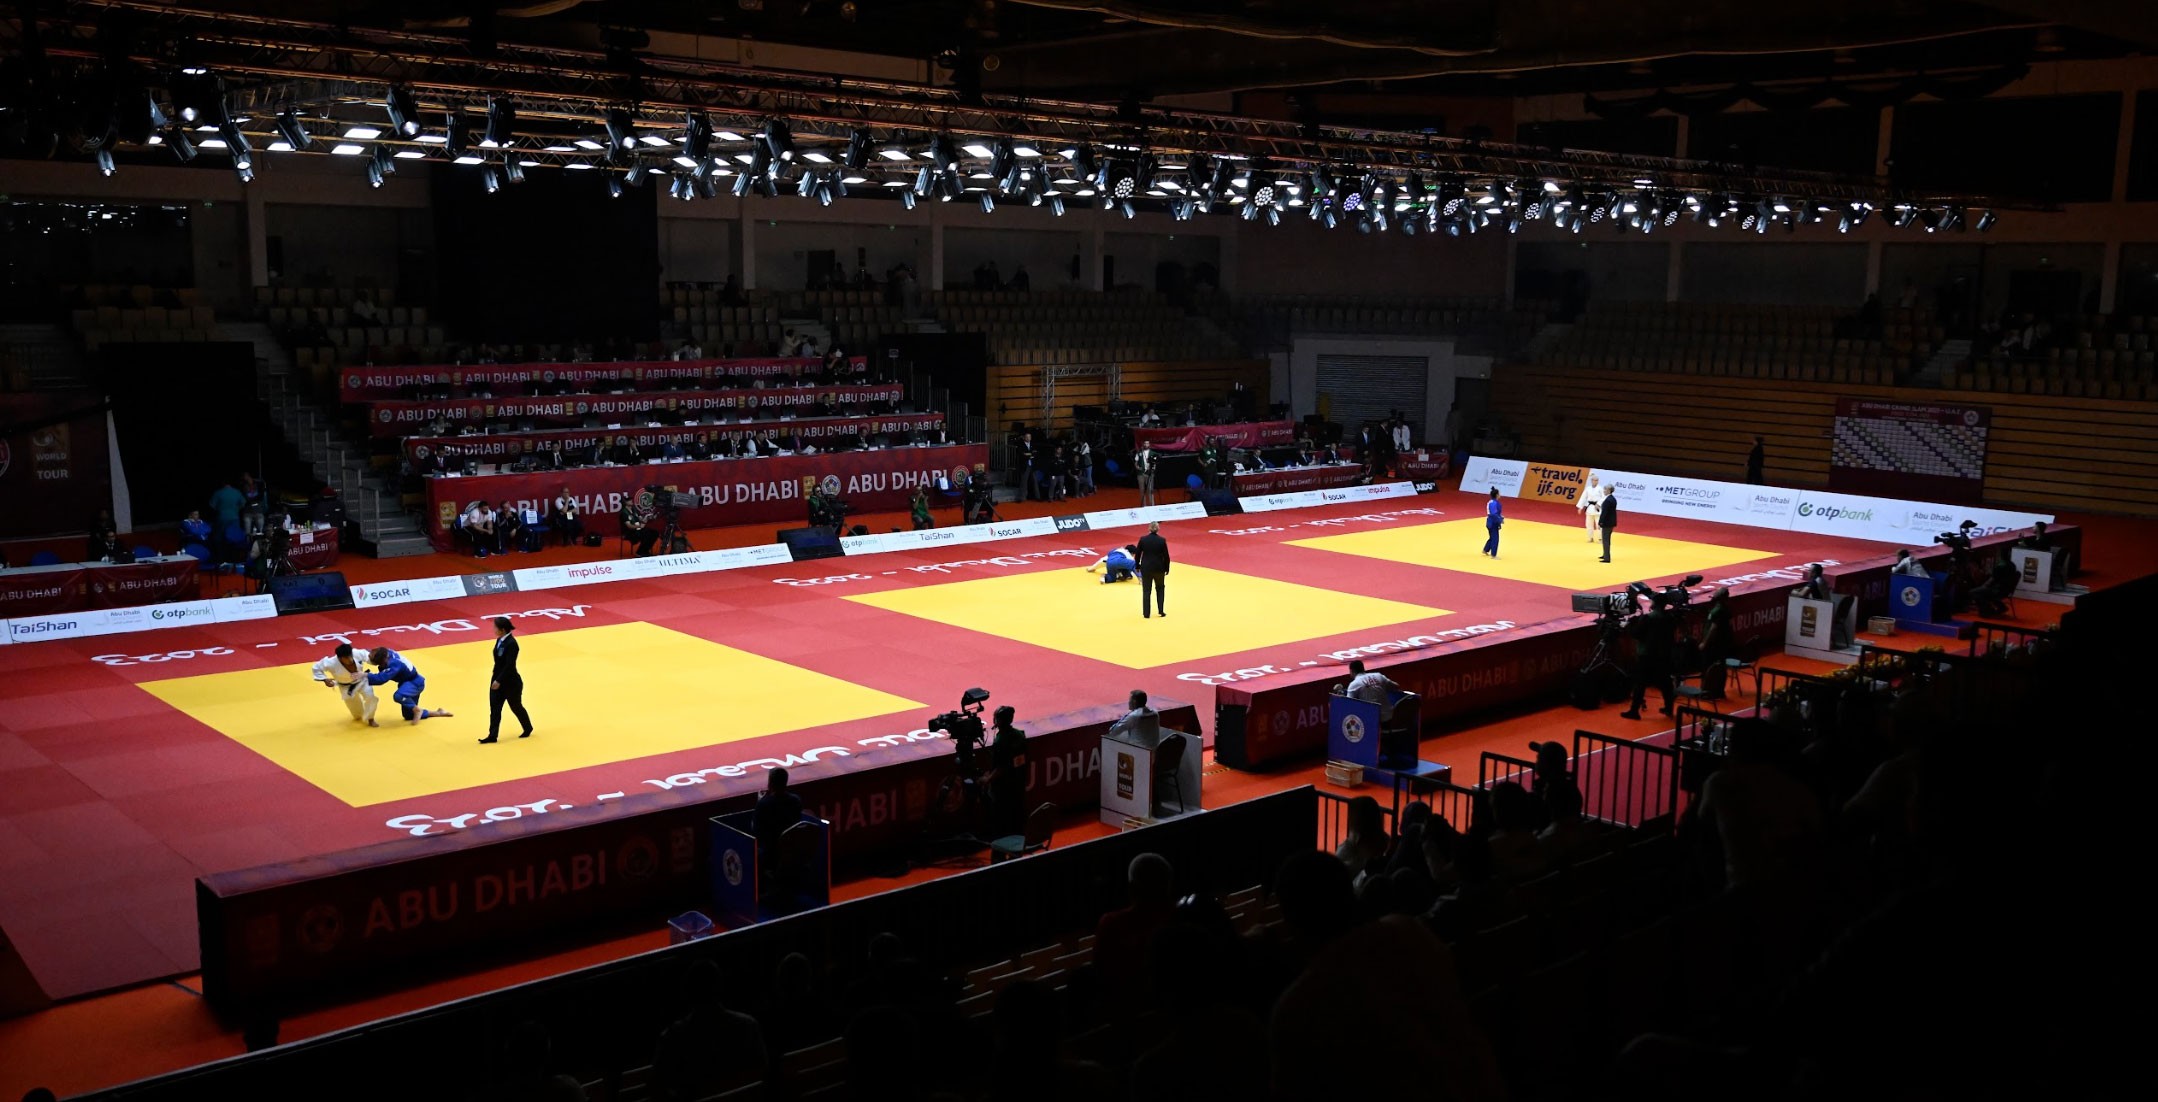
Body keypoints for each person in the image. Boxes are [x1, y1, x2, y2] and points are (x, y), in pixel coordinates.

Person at [480, 616, 534, 744]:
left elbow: (509, 665)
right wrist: (495, 678)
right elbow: (498, 662)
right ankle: (492, 735)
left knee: (516, 706)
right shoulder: (499, 640)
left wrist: (498, 680)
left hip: (511, 683)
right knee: (495, 709)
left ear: (502, 630)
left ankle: (527, 727)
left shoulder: (512, 644)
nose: (493, 629)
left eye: (495, 627)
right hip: (497, 679)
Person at [365, 647, 451, 723]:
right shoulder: (385, 652)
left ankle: (417, 710)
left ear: (382, 661)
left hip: (414, 684)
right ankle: (439, 712)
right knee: (409, 715)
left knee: (398, 696)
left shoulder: (394, 664)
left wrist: (366, 675)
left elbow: (381, 678)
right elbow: (368, 653)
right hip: (407, 684)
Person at [1620, 606, 1678, 720]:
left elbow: (1636, 634)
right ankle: (1669, 708)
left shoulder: (1648, 618)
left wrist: (1630, 625)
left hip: (1647, 655)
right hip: (1664, 654)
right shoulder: (1670, 617)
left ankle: (1634, 711)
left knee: (1640, 684)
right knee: (1665, 682)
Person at [311, 643, 379, 727]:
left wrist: (377, 659)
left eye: (350, 656)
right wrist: (324, 679)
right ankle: (359, 715)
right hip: (345, 686)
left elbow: (369, 657)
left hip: (362, 681)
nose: (350, 659)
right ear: (339, 658)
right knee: (356, 712)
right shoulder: (331, 662)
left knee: (370, 697)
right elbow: (316, 667)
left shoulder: (356, 653)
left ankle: (371, 719)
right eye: (346, 658)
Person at [986, 704, 1029, 836]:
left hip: (1003, 790)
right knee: (1017, 821)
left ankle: (1001, 846)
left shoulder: (1001, 741)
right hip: (1018, 785)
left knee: (1001, 824)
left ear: (998, 720)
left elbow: (1001, 768)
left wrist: (987, 779)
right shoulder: (1019, 735)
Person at [753, 767, 804, 862]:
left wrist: (760, 802)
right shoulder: (796, 800)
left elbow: (757, 833)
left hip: (772, 854)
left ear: (770, 784)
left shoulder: (763, 805)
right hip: (793, 850)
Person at [1697, 586, 1734, 697]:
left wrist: (1704, 643)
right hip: (1722, 644)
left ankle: (1706, 691)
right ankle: (1719, 691)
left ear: (1719, 597)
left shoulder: (1718, 610)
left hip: (1713, 645)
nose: (1714, 593)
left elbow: (1713, 628)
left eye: (1716, 593)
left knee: (1708, 667)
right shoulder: (1726, 609)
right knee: (1720, 667)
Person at [1135, 520, 1170, 619]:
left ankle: (1146, 613)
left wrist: (1137, 566)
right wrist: (1167, 568)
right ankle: (1161, 610)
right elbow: (1166, 556)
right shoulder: (1162, 540)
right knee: (1160, 588)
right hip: (1159, 568)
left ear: (1149, 529)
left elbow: (1138, 554)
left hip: (1146, 568)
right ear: (1158, 529)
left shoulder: (1143, 540)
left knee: (1146, 590)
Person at [1973, 547, 2022, 616]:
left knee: (1973, 592)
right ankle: (2001, 607)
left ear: (2001, 555)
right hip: (2006, 590)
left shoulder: (2000, 566)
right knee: (1984, 591)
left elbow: (1992, 580)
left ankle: (1987, 610)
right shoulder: (2012, 565)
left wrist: (1982, 586)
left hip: (1998, 590)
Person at [1597, 483, 1618, 563]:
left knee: (1605, 539)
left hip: (1607, 522)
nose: (1604, 491)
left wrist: (1600, 522)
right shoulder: (1612, 499)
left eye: (1605, 489)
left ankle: (1607, 558)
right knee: (1607, 539)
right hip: (1611, 522)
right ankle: (1605, 554)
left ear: (1609, 490)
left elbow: (1604, 512)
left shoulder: (1608, 500)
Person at [1577, 475, 1602, 541]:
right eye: (1594, 480)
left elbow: (1603, 498)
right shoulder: (1588, 489)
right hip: (1590, 508)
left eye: (1597, 480)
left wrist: (1598, 504)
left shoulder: (1600, 489)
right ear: (1591, 481)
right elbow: (1583, 497)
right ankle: (1590, 537)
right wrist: (1580, 507)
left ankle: (1600, 538)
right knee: (1588, 524)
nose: (1595, 481)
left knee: (1599, 524)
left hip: (1598, 508)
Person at [1481, 486, 1503, 558]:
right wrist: (1500, 519)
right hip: (1493, 522)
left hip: (1490, 521)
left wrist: (1499, 517)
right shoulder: (1494, 503)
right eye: (1499, 493)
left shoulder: (1491, 502)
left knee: (1492, 537)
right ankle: (1493, 554)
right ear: (1497, 495)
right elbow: (1493, 514)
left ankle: (1485, 549)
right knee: (1495, 538)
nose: (1500, 495)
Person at [1134, 442, 1157, 506]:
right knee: (1142, 490)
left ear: (1149, 444)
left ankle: (1152, 505)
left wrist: (1152, 468)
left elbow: (1155, 464)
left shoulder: (1153, 453)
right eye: (1145, 443)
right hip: (1141, 474)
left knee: (1150, 490)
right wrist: (1137, 467)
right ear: (1143, 444)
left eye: (1147, 443)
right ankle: (1143, 505)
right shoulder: (1139, 453)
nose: (1146, 445)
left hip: (1149, 473)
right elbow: (1136, 462)